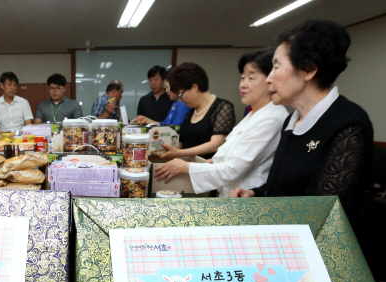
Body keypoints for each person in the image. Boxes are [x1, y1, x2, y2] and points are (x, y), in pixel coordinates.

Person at [231, 20, 373, 224]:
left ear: (308, 69)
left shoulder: (349, 124)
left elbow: (322, 213)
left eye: (276, 66)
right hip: (282, 232)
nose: (269, 78)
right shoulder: (293, 119)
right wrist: (256, 194)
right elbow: (284, 188)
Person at [154, 49, 289, 197]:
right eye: (242, 78)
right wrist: (213, 162)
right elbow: (230, 154)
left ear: (270, 79)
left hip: (244, 199)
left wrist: (185, 166)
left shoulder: (272, 118)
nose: (243, 84)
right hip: (226, 192)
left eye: (251, 78)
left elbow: (232, 168)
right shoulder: (253, 114)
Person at [159, 62, 236, 160]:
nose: (180, 100)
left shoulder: (223, 107)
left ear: (194, 87)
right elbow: (181, 142)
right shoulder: (190, 113)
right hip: (185, 167)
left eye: (180, 94)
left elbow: (215, 144)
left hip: (206, 169)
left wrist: (180, 153)